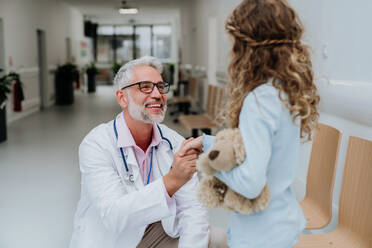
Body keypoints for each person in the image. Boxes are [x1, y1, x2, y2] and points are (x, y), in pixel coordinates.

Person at [202, 0, 320, 247]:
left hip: (260, 236)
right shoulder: (283, 92)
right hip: (282, 224)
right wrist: (207, 142)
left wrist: (209, 159)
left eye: (235, 41)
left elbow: (250, 184)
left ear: (247, 48)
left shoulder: (260, 101)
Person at [69, 56, 217, 248]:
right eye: (145, 87)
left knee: (218, 240)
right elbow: (114, 217)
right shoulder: (97, 144)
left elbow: (192, 210)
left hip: (156, 232)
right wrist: (172, 181)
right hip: (112, 240)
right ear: (123, 98)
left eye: (160, 86)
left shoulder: (174, 142)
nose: (157, 94)